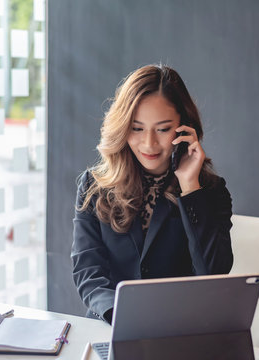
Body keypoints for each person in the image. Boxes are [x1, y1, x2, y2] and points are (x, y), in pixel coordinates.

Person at [71, 64, 233, 324]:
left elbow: (212, 276)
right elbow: (88, 272)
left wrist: (189, 186)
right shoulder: (94, 186)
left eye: (162, 129)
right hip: (110, 326)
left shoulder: (209, 193)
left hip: (178, 333)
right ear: (123, 127)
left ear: (184, 128)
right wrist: (122, 316)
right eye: (137, 128)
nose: (149, 143)